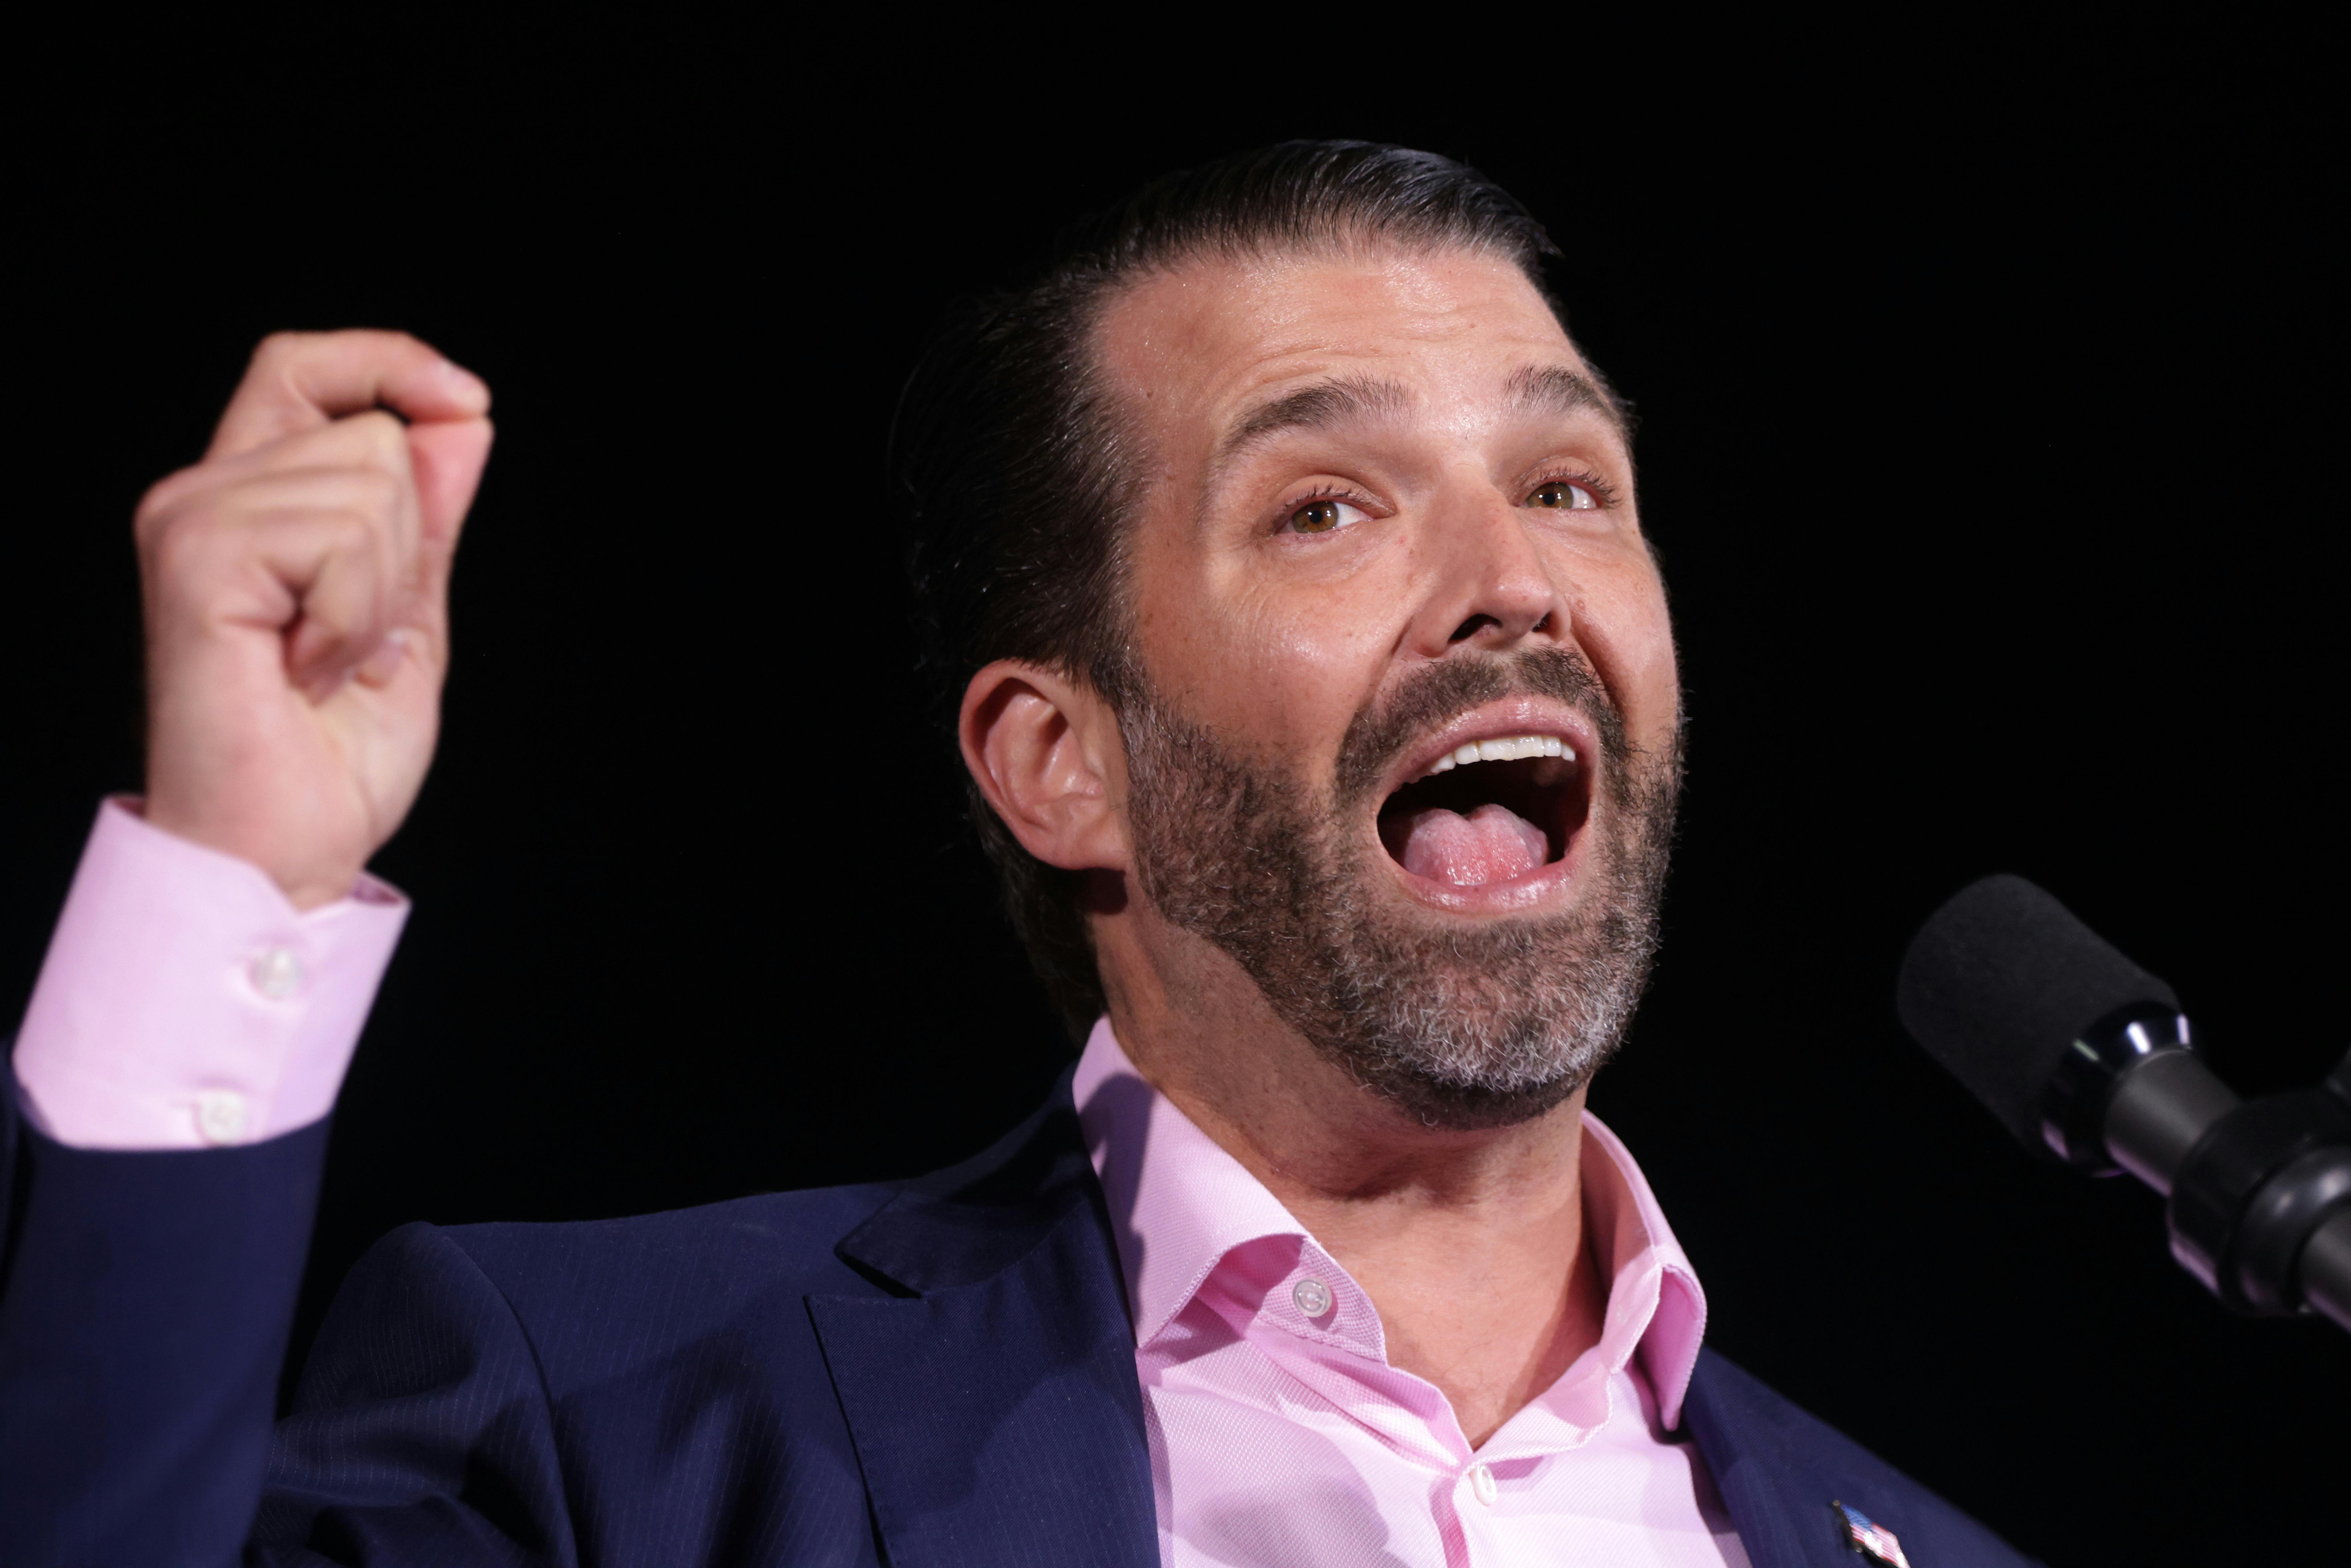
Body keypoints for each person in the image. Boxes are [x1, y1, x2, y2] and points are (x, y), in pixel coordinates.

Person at [0, 143, 2033, 1567]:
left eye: (1572, 481)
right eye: (1328, 506)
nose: (1515, 585)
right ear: (1063, 766)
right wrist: (230, 873)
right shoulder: (611, 1416)